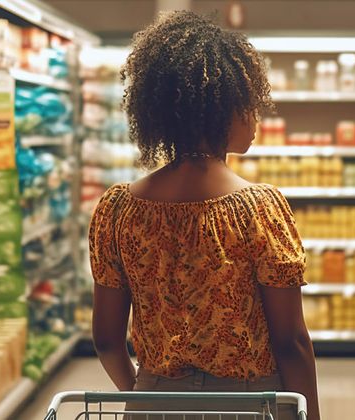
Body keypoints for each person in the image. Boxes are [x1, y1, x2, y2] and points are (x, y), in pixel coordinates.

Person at [89, 11, 320, 420]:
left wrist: (147, 395)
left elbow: (107, 340)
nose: (256, 117)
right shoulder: (259, 208)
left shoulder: (117, 210)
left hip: (153, 400)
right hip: (248, 405)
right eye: (248, 103)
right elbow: (291, 343)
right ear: (220, 108)